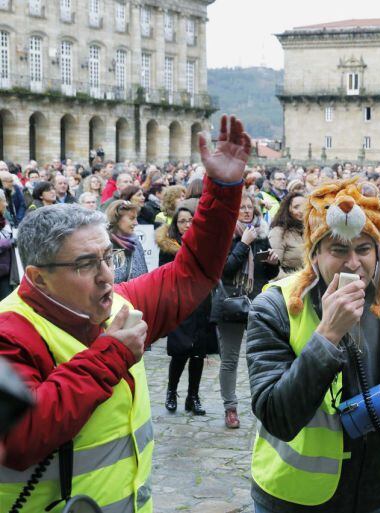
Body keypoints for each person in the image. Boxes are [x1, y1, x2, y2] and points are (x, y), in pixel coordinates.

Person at [0, 115, 250, 512]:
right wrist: (111, 354)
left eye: (108, 257)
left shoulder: (120, 302)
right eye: (85, 264)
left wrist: (222, 191)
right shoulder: (9, 330)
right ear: (38, 278)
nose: (106, 275)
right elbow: (18, 439)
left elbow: (193, 273)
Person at [246, 178, 380, 512]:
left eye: (363, 249)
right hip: (294, 497)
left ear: (379, 252)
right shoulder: (275, 307)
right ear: (314, 254)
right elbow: (277, 416)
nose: (352, 263)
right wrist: (328, 335)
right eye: (339, 249)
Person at [212, 193, 278, 429]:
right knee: (229, 360)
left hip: (256, 302)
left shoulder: (261, 234)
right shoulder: (224, 236)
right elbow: (225, 270)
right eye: (242, 208)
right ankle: (230, 408)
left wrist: (273, 263)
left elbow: (264, 275)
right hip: (230, 304)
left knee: (259, 357)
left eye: (250, 207)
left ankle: (262, 404)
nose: (247, 211)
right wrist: (243, 244)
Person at [157, 207, 217, 416]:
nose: (187, 224)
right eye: (182, 221)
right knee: (180, 351)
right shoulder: (169, 248)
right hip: (180, 303)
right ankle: (171, 392)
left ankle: (194, 396)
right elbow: (162, 276)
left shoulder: (203, 245)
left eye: (190, 220)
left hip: (201, 302)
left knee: (199, 353)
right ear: (176, 224)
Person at [105, 201, 148, 284]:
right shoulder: (105, 245)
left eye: (136, 218)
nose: (136, 223)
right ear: (116, 219)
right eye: (132, 218)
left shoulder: (135, 243)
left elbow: (144, 275)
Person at [268, 191, 307, 279]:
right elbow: (273, 268)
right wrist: (290, 281)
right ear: (288, 210)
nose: (302, 210)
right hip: (288, 285)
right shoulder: (278, 232)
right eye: (296, 207)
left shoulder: (310, 232)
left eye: (305, 206)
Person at [0, 191, 13, 300]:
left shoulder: (4, 219)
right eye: (3, 201)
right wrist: (10, 242)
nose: (6, 204)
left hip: (5, 272)